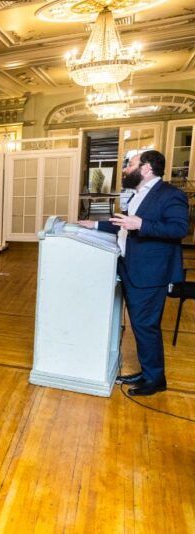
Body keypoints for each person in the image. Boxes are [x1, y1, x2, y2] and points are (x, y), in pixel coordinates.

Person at [78, 150, 189, 396]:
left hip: (150, 273)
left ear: (146, 168)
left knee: (145, 326)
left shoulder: (171, 194)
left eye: (130, 165)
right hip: (130, 269)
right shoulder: (137, 194)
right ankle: (147, 372)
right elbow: (125, 225)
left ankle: (155, 379)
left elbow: (179, 228)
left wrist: (141, 224)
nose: (125, 169)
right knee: (140, 326)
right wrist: (94, 225)